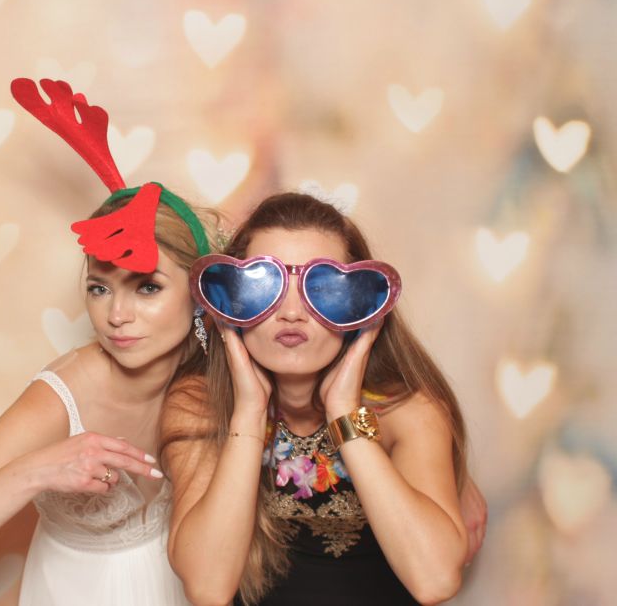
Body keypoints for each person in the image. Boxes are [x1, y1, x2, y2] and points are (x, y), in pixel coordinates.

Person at [0, 78, 215, 605]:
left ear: (200, 293)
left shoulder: (217, 376)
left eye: (147, 287)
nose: (116, 315)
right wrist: (37, 469)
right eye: (99, 288)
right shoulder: (62, 398)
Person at [162, 192, 479, 605]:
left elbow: (435, 580)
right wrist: (249, 413)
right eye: (266, 287)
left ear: (362, 305)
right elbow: (208, 588)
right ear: (231, 302)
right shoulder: (198, 403)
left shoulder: (406, 409)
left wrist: (344, 414)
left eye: (322, 288)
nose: (291, 313)